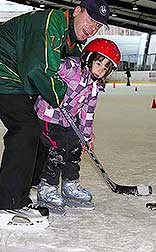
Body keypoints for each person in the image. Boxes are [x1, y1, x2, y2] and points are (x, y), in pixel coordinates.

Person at [0, 0, 110, 230]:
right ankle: (10, 206)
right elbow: (39, 70)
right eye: (90, 19)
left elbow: (76, 81)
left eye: (98, 25)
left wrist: (80, 121)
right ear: (76, 11)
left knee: (43, 126)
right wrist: (62, 98)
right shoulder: (52, 24)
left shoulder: (74, 42)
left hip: (19, 73)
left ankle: (35, 182)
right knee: (25, 129)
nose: (92, 28)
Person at [35, 38, 120, 215]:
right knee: (57, 151)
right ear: (88, 57)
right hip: (48, 116)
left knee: (73, 150)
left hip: (69, 121)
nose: (101, 70)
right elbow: (49, 68)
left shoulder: (95, 87)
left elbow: (87, 113)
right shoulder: (72, 67)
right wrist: (53, 88)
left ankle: (70, 185)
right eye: (98, 63)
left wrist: (86, 137)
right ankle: (47, 189)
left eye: (105, 68)